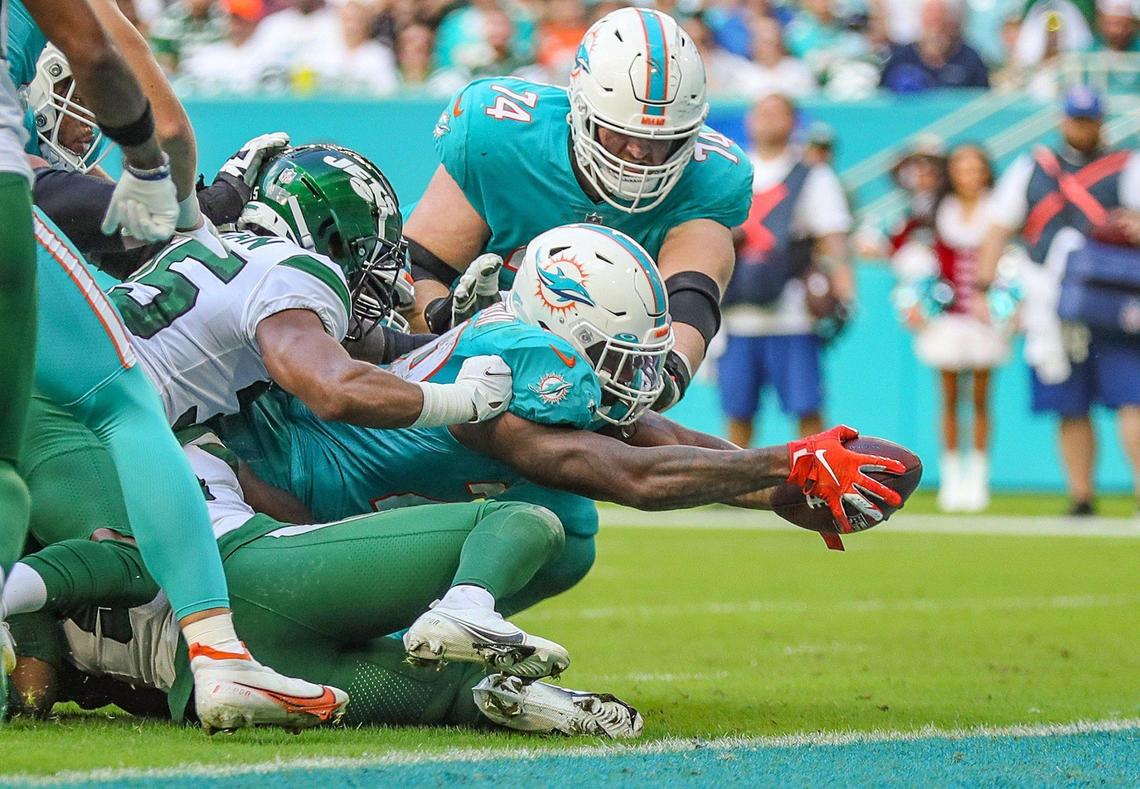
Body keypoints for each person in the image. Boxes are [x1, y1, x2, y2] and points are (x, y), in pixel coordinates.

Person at [219, 224, 907, 619]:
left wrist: (790, 489)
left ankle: (418, 635)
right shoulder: (509, 363)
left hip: (331, 512)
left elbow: (664, 440)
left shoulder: (542, 353)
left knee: (567, 528)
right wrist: (784, 462)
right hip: (272, 500)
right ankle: (412, 644)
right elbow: (626, 474)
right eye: (614, 355)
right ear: (559, 329)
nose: (634, 379)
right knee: (557, 521)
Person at [3, 431, 642, 738]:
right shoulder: (104, 429)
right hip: (256, 577)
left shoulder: (47, 525)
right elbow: (122, 563)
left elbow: (39, 674)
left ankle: (507, 701)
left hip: (201, 682)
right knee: (521, 519)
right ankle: (468, 604)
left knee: (439, 700)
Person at [404, 7, 754, 414]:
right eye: (622, 132)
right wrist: (446, 322)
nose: (640, 151)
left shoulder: (709, 176)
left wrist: (668, 376)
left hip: (592, 371)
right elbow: (422, 265)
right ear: (581, 108)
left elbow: (692, 295)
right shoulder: (500, 135)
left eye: (663, 139)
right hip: (460, 364)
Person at [977, 86, 1140, 515]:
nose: (1081, 127)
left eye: (1088, 119)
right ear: (1062, 120)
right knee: (1069, 404)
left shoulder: (1127, 166)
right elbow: (998, 225)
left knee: (1132, 399)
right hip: (1048, 301)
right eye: (1075, 118)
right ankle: (1081, 494)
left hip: (1110, 298)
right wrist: (983, 285)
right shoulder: (1033, 167)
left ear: (1101, 122)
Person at [719, 93, 854, 448]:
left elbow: (833, 236)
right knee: (737, 408)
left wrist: (843, 289)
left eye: (777, 113)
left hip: (791, 309)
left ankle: (817, 477)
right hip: (736, 307)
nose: (767, 120)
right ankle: (734, 482)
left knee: (806, 406)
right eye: (761, 112)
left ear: (794, 123)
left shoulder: (812, 175)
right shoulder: (730, 170)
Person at [890, 144, 1012, 512]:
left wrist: (1003, 300)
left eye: (976, 167)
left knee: (979, 398)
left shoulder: (1002, 209)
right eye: (961, 167)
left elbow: (1014, 254)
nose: (969, 175)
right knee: (947, 398)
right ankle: (951, 478)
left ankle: (977, 479)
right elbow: (901, 241)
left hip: (985, 315)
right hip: (945, 316)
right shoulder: (936, 208)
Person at [880, 0, 990, 92]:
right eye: (930, 18)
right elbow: (882, 96)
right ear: (922, 19)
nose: (935, 25)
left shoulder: (969, 58)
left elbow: (981, 99)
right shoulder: (901, 57)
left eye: (939, 18)